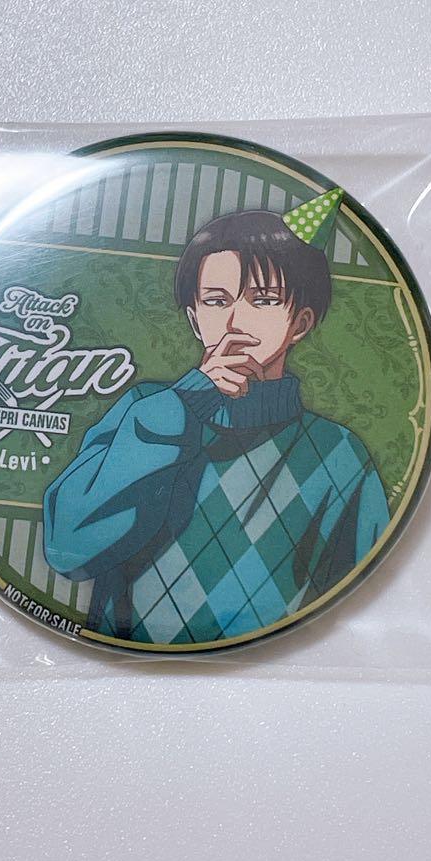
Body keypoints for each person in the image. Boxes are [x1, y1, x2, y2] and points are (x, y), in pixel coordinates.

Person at [42, 194, 390, 645]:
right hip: (122, 664)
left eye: (263, 300)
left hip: (278, 666)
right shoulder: (145, 410)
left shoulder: (339, 452)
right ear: (194, 319)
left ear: (300, 323)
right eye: (216, 300)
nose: (236, 321)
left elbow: (366, 596)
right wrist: (185, 404)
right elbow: (67, 549)